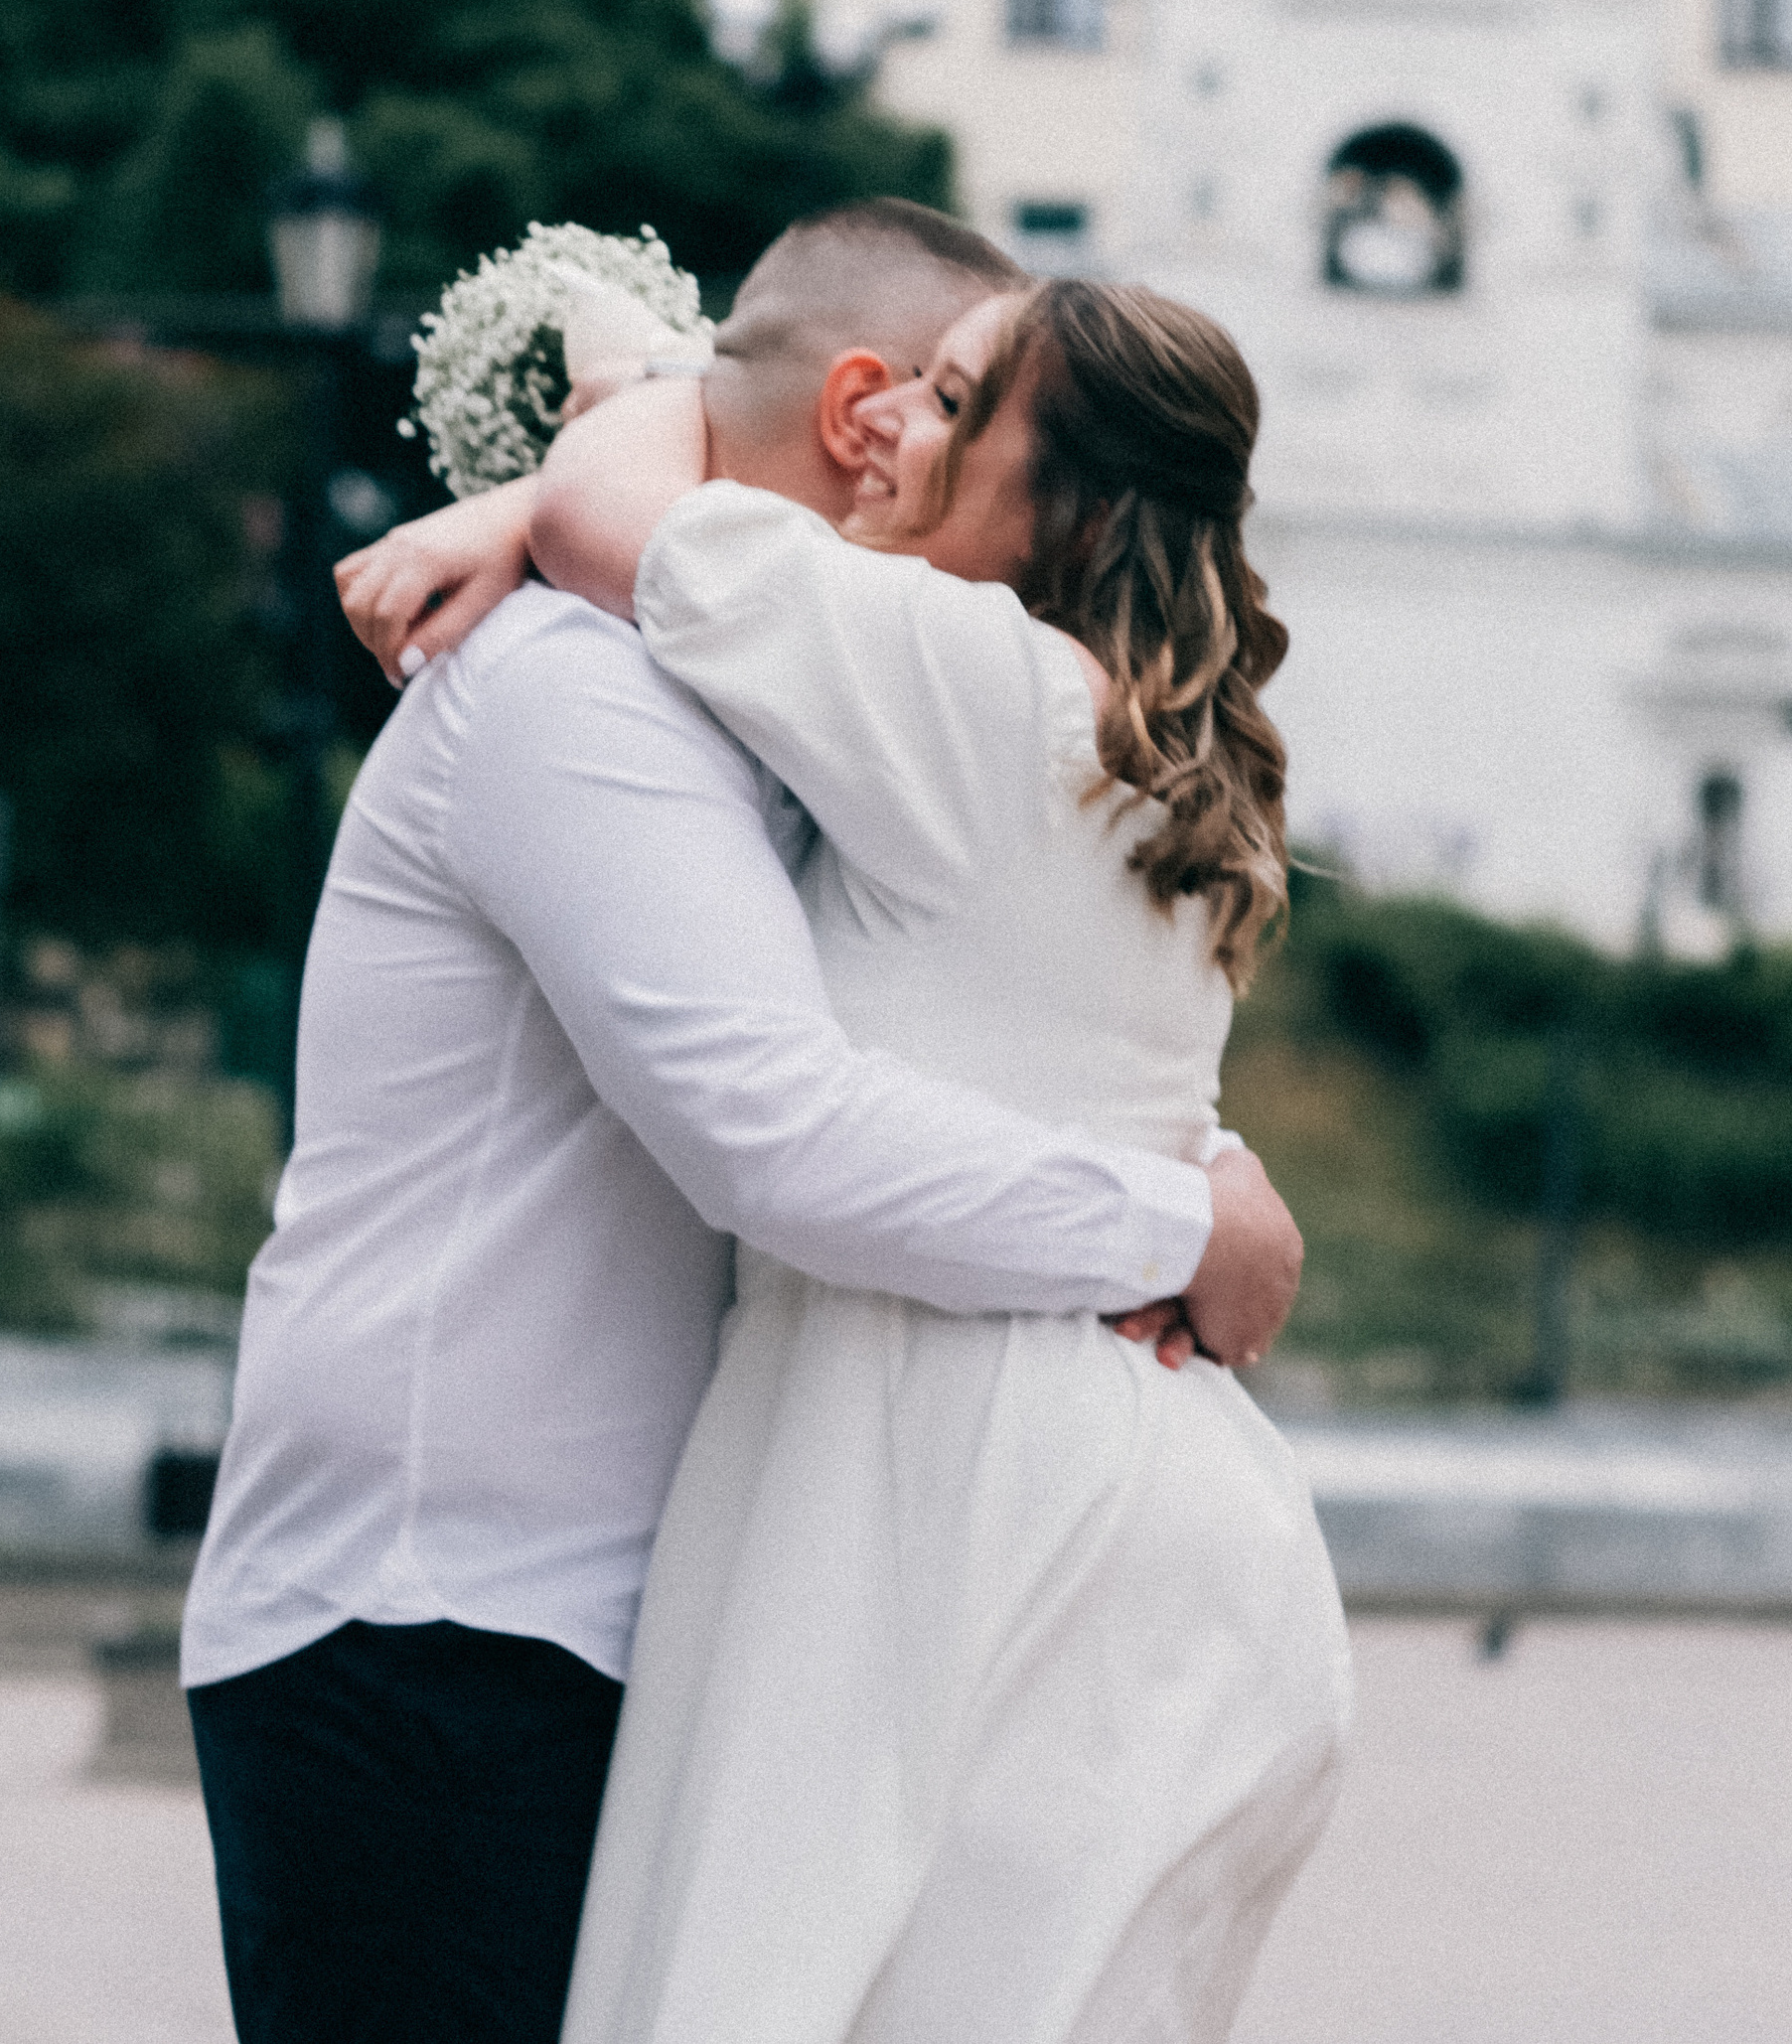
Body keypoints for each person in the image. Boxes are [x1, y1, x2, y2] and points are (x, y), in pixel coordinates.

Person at [187, 201, 1303, 2044]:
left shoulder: (876, 704)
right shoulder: (592, 691)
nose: (918, 433)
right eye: (920, 394)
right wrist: (1190, 1218)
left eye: (966, 405)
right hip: (447, 1620)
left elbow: (925, 1034)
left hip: (772, 1563)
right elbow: (783, 1133)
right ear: (859, 412)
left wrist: (561, 480)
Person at [528, 270, 1353, 2044]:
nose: (890, 421)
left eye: (958, 404)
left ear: (1076, 510)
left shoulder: (968, 681)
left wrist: (653, 368)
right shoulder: (1148, 755)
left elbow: (598, 511)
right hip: (1134, 1483)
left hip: (934, 1475)